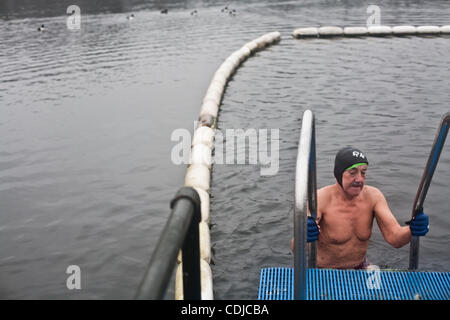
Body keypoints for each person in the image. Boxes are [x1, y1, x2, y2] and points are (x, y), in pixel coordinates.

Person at [291, 146, 429, 269]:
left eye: (363, 173)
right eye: (352, 173)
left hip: (360, 267)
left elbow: (395, 238)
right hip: (324, 271)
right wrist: (303, 235)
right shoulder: (320, 199)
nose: (359, 179)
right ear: (338, 174)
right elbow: (295, 248)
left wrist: (413, 229)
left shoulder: (373, 196)